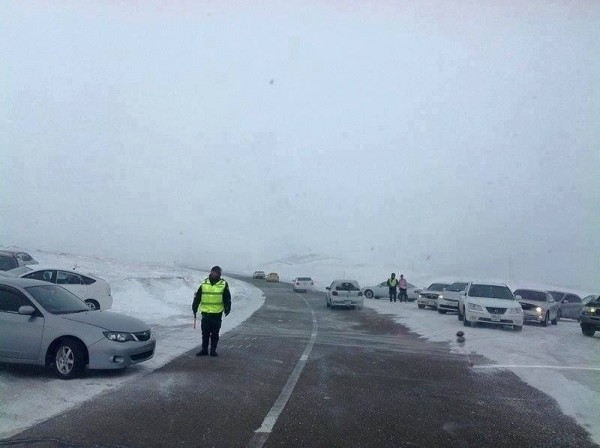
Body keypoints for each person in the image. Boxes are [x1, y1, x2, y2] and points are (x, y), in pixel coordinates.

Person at [192, 266, 231, 357]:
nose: (214, 274)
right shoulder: (204, 283)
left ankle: (213, 350)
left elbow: (227, 298)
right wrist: (194, 306)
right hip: (205, 313)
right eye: (213, 272)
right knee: (205, 333)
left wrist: (227, 308)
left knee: (215, 334)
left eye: (217, 273)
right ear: (211, 272)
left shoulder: (223, 284)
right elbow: (198, 296)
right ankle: (204, 350)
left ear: (219, 274)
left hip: (217, 314)